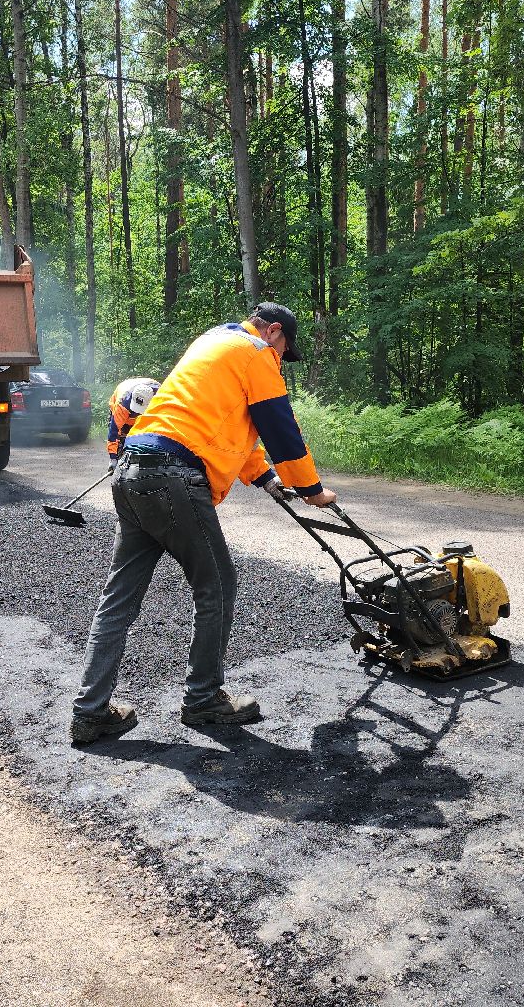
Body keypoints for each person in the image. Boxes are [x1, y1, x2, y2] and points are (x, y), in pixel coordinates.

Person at [71, 302, 337, 745]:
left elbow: (222, 429)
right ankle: (203, 699)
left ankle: (89, 712)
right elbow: (278, 425)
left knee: (119, 598)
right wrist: (311, 489)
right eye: (284, 351)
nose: (281, 361)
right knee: (217, 584)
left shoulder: (213, 344)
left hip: (131, 470)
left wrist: (268, 479)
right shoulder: (256, 353)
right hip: (172, 477)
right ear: (273, 332)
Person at [106, 376, 161, 463]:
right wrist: (113, 457)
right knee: (122, 441)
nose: (137, 412)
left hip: (150, 411)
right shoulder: (122, 404)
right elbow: (114, 431)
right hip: (124, 412)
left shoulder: (161, 398)